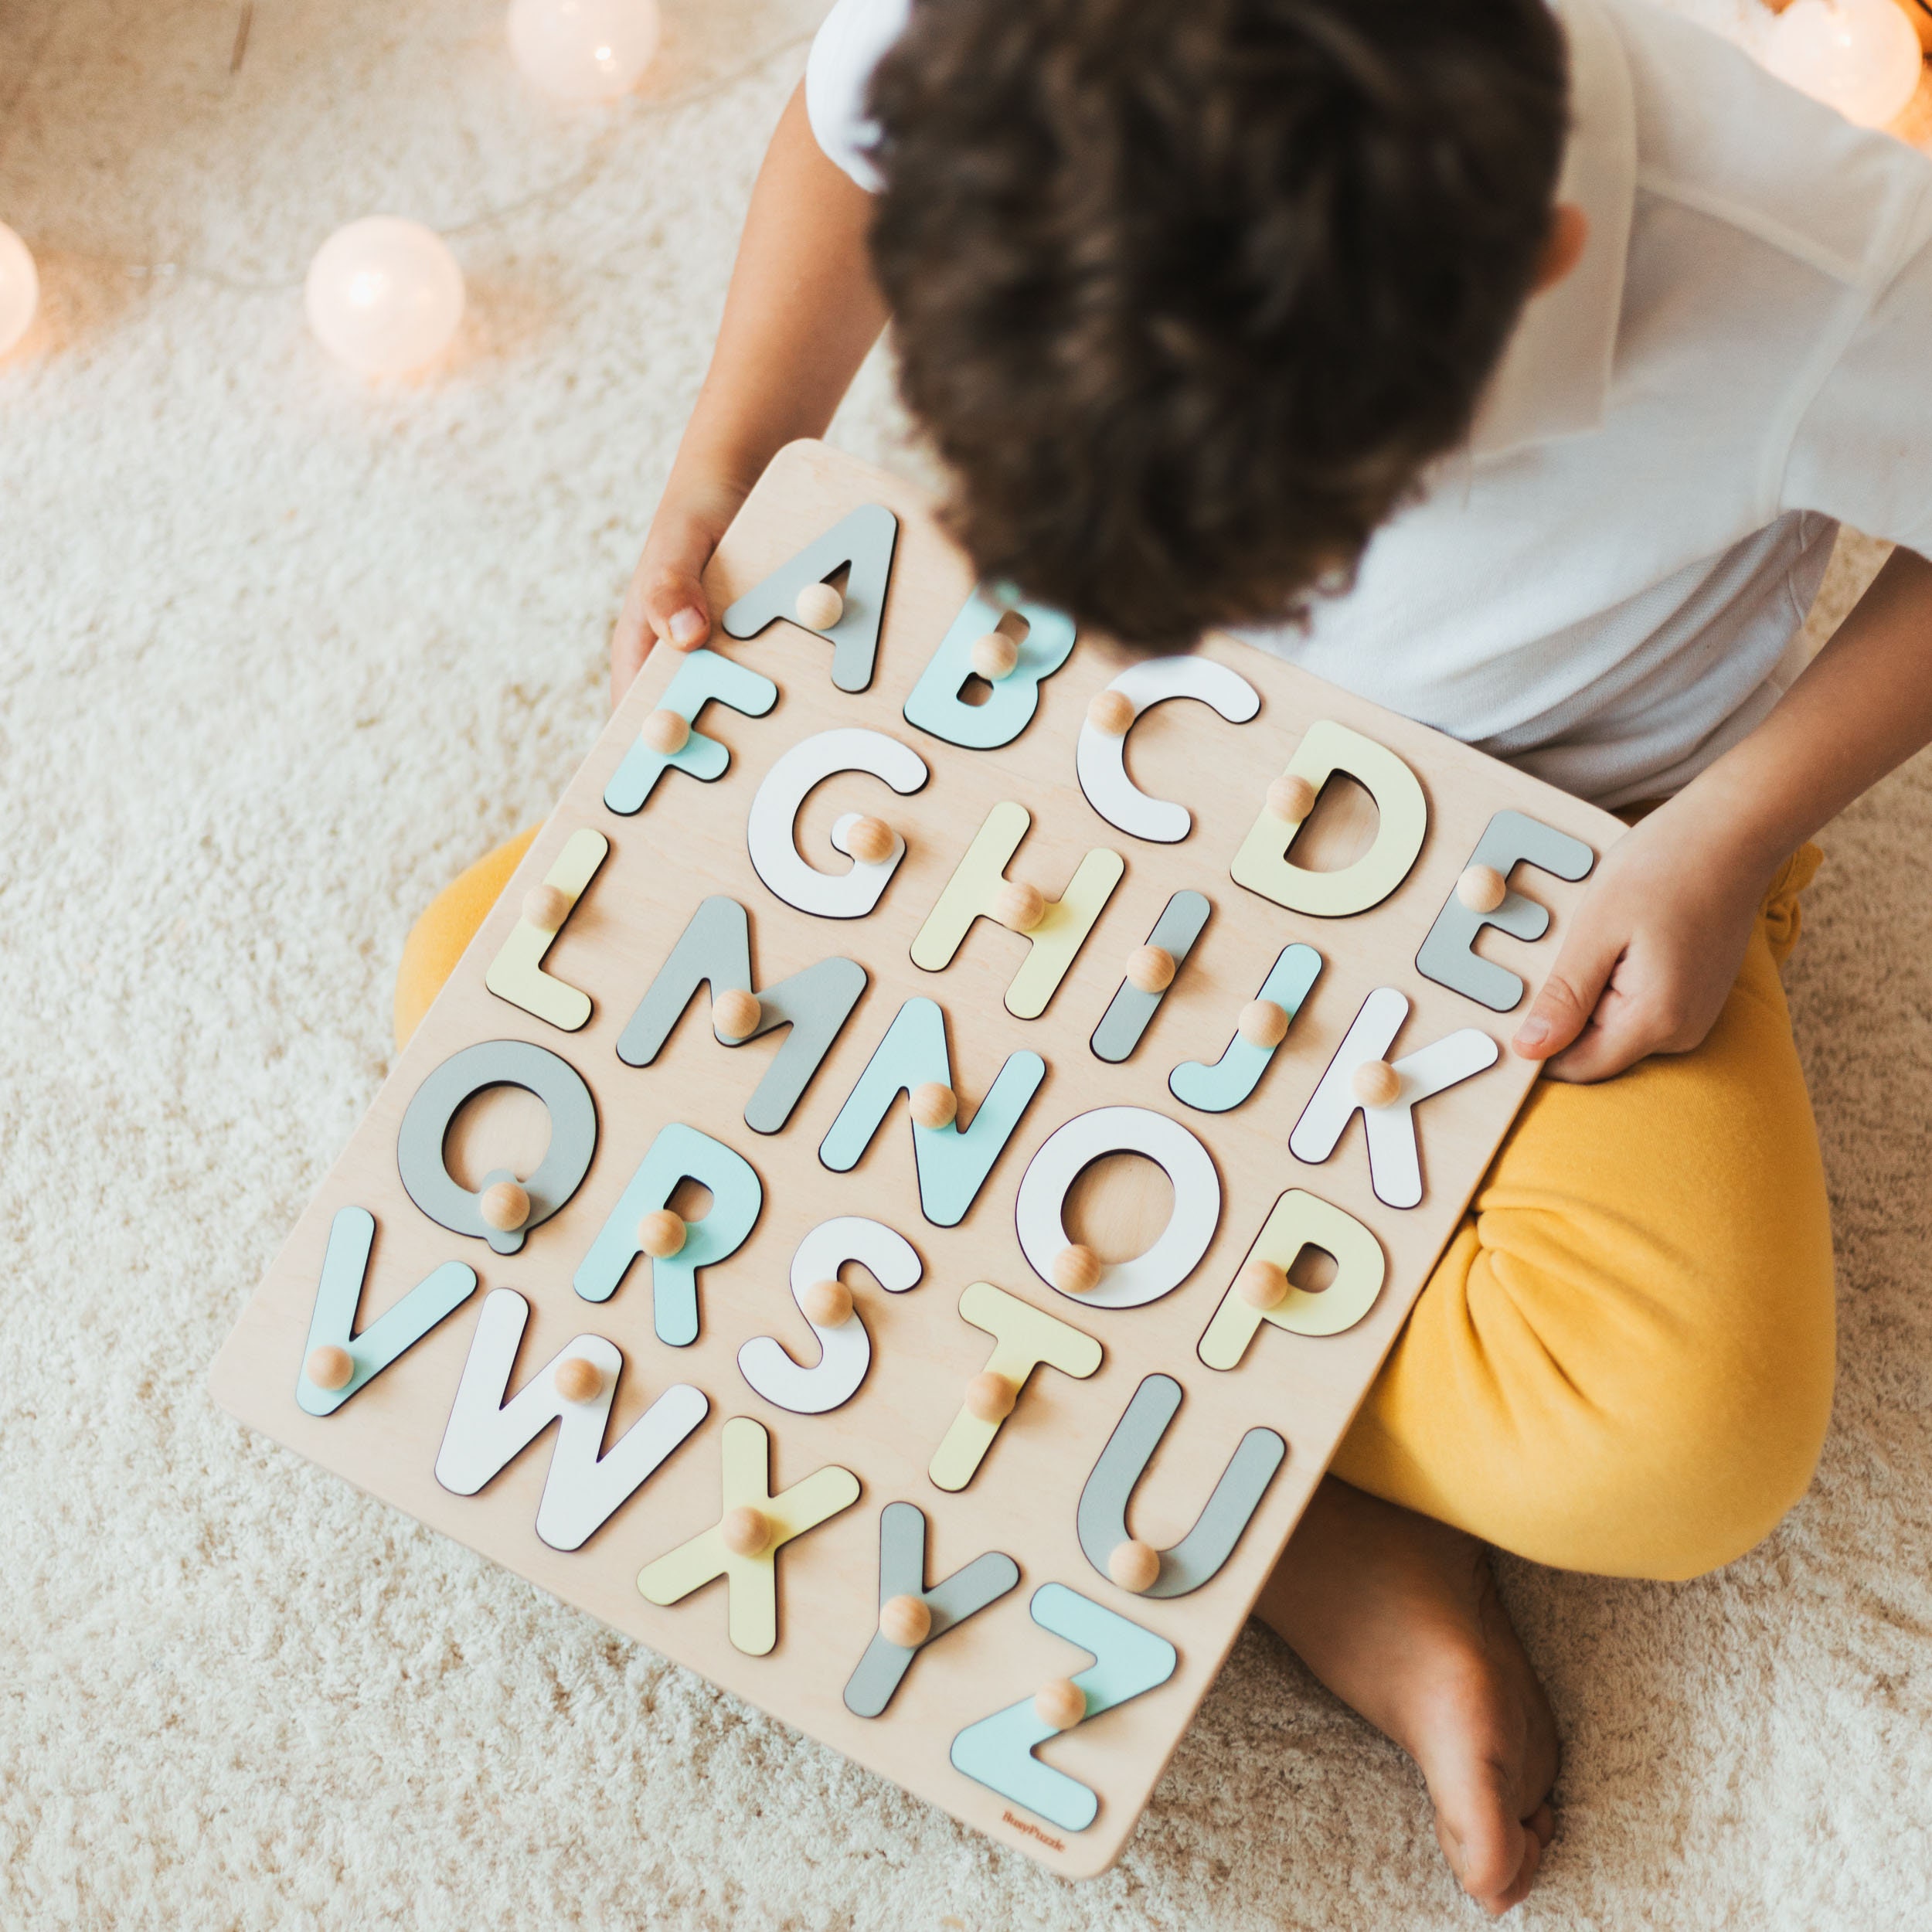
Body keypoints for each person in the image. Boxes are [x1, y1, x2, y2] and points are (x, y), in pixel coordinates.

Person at [397, 0, 1932, 1910]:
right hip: (1038, 749)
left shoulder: (1807, 254)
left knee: (1678, 1437)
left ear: (1521, 265)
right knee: (481, 1008)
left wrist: (1725, 836)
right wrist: (736, 455)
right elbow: (835, 133)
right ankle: (1281, 1520)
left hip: (1521, 863)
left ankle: (1192, 1449)